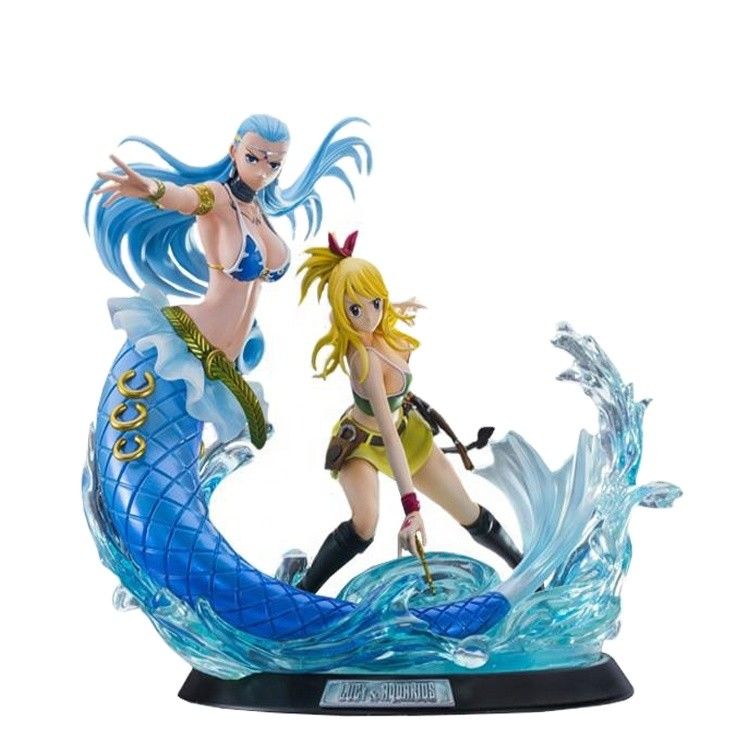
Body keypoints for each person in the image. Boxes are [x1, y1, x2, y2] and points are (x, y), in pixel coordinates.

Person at [293, 232, 522, 593]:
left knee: (468, 511)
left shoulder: (385, 335)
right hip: (362, 445)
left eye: (376, 303)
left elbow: (374, 314)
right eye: (355, 310)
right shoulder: (364, 362)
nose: (369, 317)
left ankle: (527, 573)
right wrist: (411, 508)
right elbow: (386, 432)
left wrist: (394, 306)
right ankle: (303, 590)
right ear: (341, 311)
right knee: (365, 524)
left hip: (407, 431)